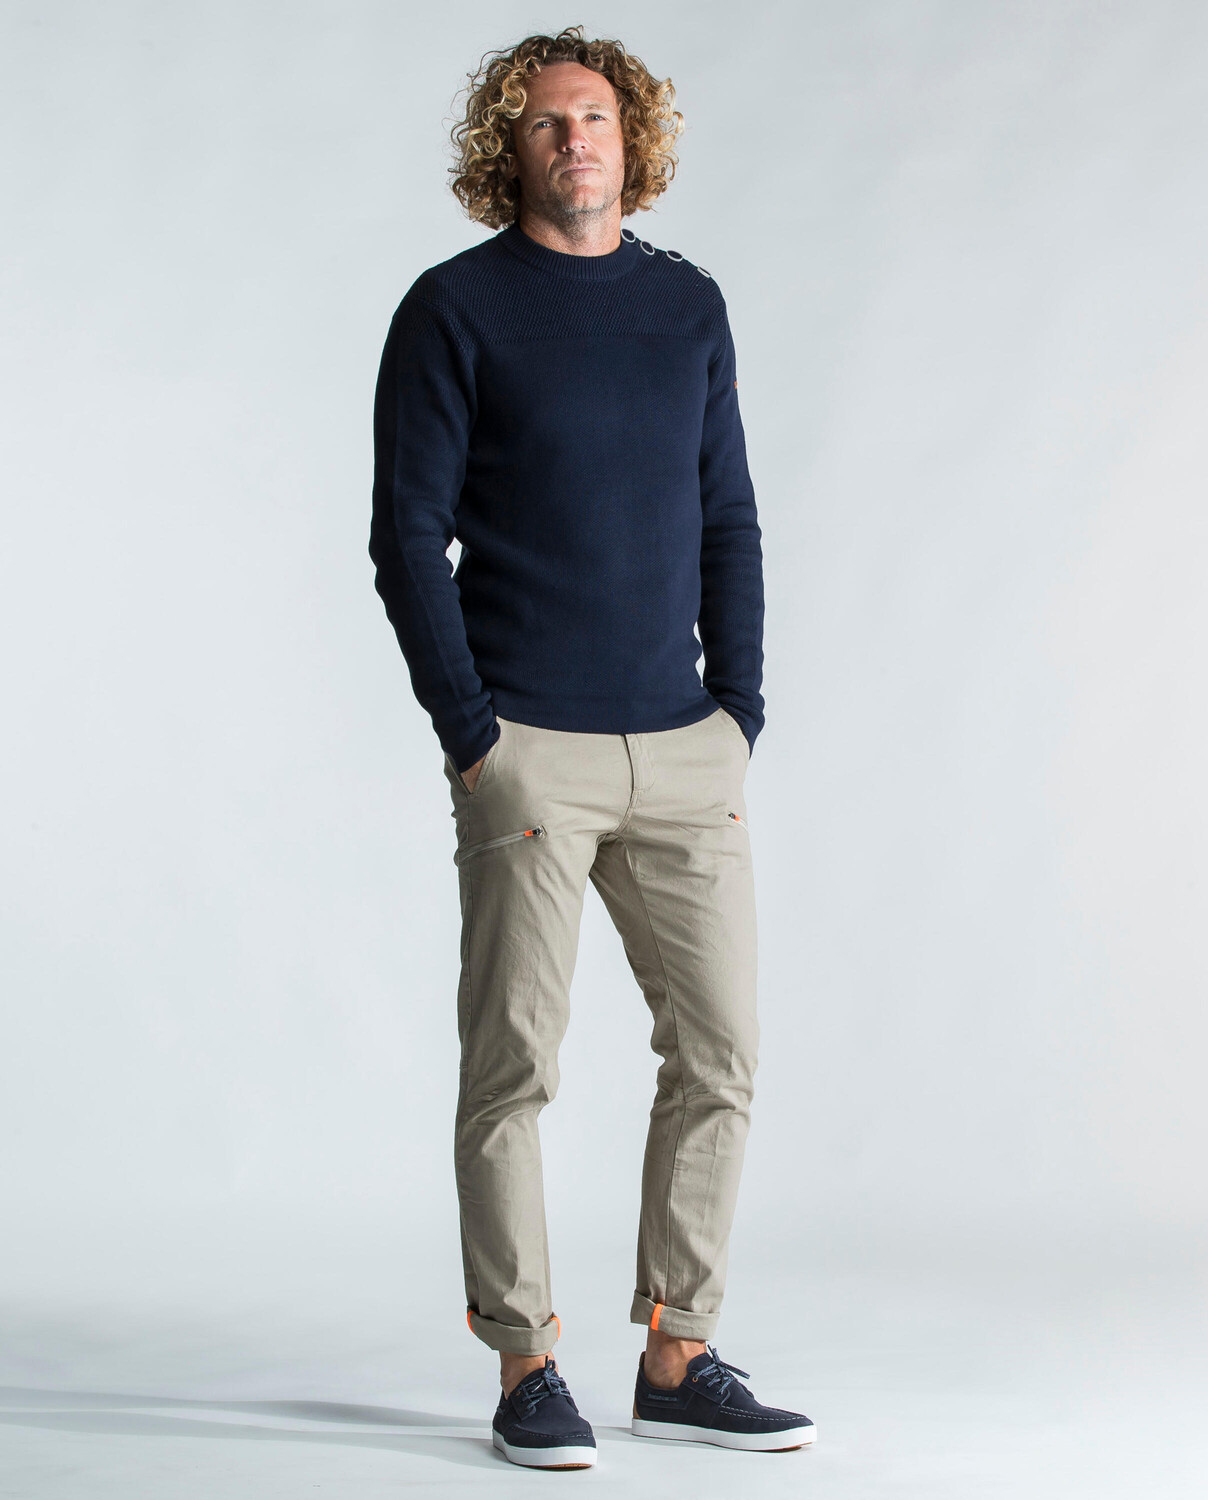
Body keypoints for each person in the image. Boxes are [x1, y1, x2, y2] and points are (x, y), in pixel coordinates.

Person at [367, 27, 815, 1470]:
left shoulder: (687, 308)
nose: (577, 139)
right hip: (530, 753)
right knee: (515, 1066)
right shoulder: (455, 309)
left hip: (685, 750)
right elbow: (405, 537)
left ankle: (678, 1352)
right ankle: (525, 1366)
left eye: (599, 118)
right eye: (549, 120)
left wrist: (739, 711)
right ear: (509, 147)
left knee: (723, 1051)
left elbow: (730, 513)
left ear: (637, 142)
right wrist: (473, 735)